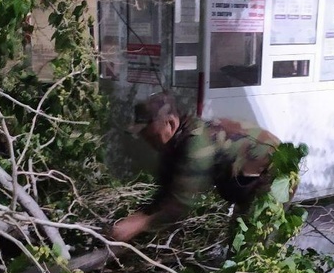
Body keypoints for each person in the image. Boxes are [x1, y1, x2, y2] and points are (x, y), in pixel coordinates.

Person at [111, 93, 283, 242]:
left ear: (170, 124)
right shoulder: (172, 145)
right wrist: (139, 217)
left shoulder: (196, 146)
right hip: (244, 178)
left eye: (149, 133)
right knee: (238, 235)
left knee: (250, 248)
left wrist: (141, 224)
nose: (146, 139)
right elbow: (165, 191)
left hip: (275, 172)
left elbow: (182, 202)